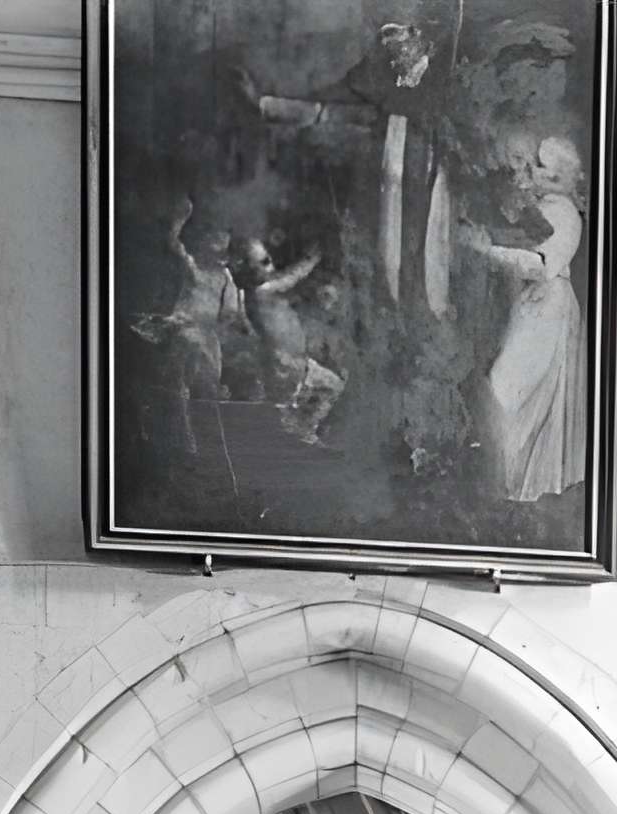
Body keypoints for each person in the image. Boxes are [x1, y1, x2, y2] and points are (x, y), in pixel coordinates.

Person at [243, 19, 458, 320]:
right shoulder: (380, 71)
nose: (393, 43)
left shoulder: (448, 76)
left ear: (422, 37)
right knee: (384, 250)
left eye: (405, 34)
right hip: (383, 176)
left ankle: (423, 313)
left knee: (427, 250)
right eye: (389, 36)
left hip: (430, 177)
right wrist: (268, 104)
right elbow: (335, 96)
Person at [458, 135, 590, 504]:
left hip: (546, 309)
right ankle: (503, 485)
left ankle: (508, 489)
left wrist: (482, 249)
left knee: (504, 393)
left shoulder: (562, 212)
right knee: (502, 395)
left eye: (540, 166)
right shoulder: (539, 204)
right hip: (532, 306)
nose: (529, 171)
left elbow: (540, 266)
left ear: (558, 176)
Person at [131, 196, 243, 460]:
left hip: (205, 337)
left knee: (205, 389)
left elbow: (229, 313)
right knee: (180, 383)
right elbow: (175, 245)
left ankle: (207, 444)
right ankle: (184, 441)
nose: (217, 243)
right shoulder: (194, 267)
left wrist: (217, 324)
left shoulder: (225, 278)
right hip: (184, 332)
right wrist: (179, 220)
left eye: (222, 238)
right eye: (214, 238)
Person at [234, 238, 346, 444]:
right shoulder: (261, 291)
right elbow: (293, 276)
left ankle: (303, 429)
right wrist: (311, 259)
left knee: (332, 386)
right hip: (284, 364)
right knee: (286, 405)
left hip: (298, 361)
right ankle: (293, 436)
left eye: (269, 259)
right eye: (264, 262)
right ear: (249, 269)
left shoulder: (268, 292)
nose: (271, 266)